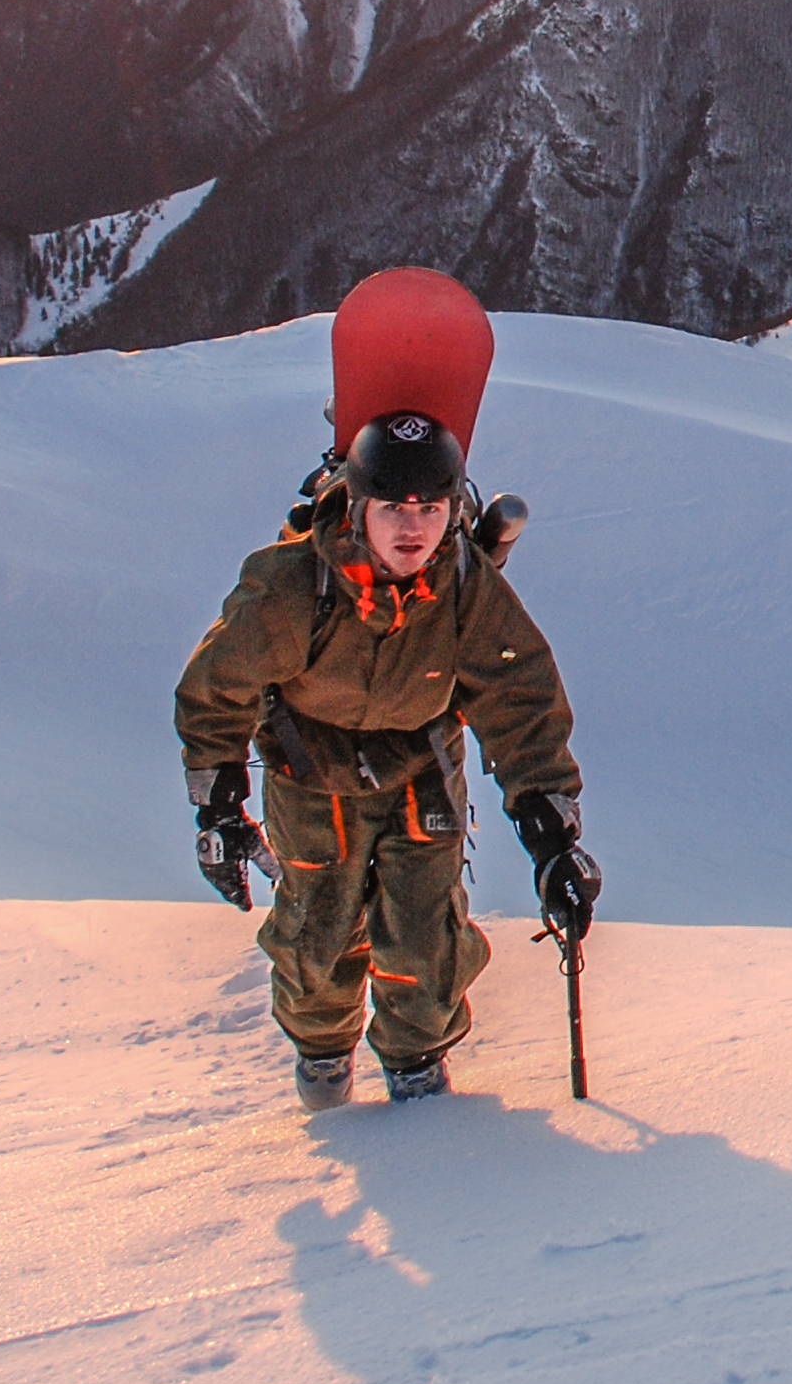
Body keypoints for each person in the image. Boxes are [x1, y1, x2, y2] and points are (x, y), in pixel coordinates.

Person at [175, 409, 601, 1107]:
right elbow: (217, 688)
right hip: (310, 773)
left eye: (431, 509)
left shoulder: (464, 588)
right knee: (319, 931)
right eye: (394, 509)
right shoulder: (291, 586)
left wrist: (553, 835)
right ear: (358, 506)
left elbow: (520, 699)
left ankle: (418, 1072)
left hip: (420, 769)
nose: (413, 529)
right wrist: (218, 809)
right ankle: (322, 1057)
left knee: (425, 936)